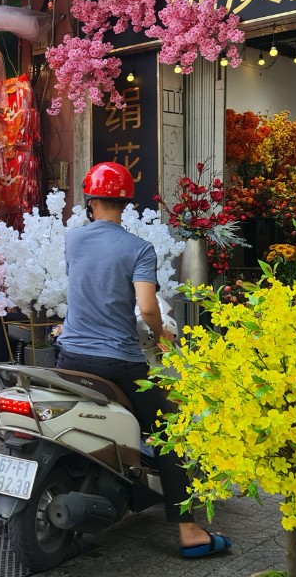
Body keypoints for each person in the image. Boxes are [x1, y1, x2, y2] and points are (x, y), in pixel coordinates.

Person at [55, 162, 232, 558]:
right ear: (125, 202)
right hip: (116, 360)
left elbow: (86, 288)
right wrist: (160, 334)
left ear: (90, 199)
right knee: (169, 432)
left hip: (69, 356)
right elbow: (147, 306)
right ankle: (189, 532)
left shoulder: (74, 240)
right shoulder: (139, 248)